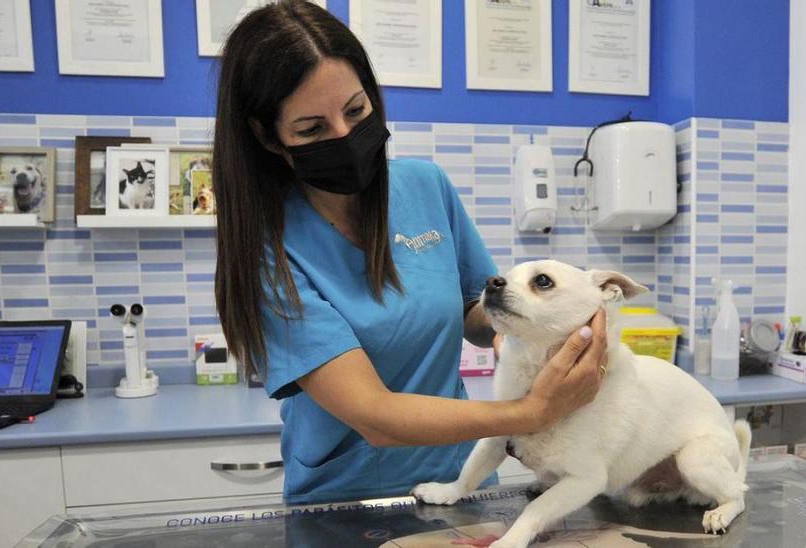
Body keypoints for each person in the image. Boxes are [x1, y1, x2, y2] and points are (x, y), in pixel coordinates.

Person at [211, 0, 607, 504]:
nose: (346, 136)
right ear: (267, 136)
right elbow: (375, 415)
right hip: (347, 501)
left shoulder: (425, 186)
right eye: (312, 129)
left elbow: (477, 313)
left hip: (458, 481)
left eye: (356, 110)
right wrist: (534, 411)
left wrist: (540, 334)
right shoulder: (268, 251)